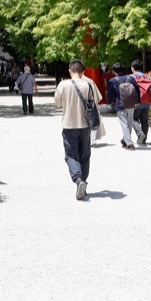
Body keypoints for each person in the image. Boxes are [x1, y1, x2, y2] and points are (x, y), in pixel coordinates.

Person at [54, 58, 102, 200]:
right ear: (83, 72)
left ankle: (78, 179)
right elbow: (93, 104)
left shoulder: (63, 85)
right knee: (85, 156)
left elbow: (57, 103)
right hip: (85, 126)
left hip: (69, 126)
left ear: (70, 71)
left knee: (71, 155)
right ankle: (83, 183)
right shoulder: (88, 86)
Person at [106, 61, 139, 150]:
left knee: (124, 124)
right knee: (129, 122)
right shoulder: (130, 78)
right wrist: (137, 101)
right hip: (131, 104)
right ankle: (125, 140)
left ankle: (129, 143)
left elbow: (110, 94)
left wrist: (110, 101)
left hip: (120, 105)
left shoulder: (112, 81)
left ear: (113, 71)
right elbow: (137, 90)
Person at [131, 59, 151, 145]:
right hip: (147, 102)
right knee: (144, 121)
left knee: (133, 119)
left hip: (136, 103)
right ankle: (143, 140)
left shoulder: (132, 77)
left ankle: (140, 134)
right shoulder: (148, 77)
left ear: (133, 68)